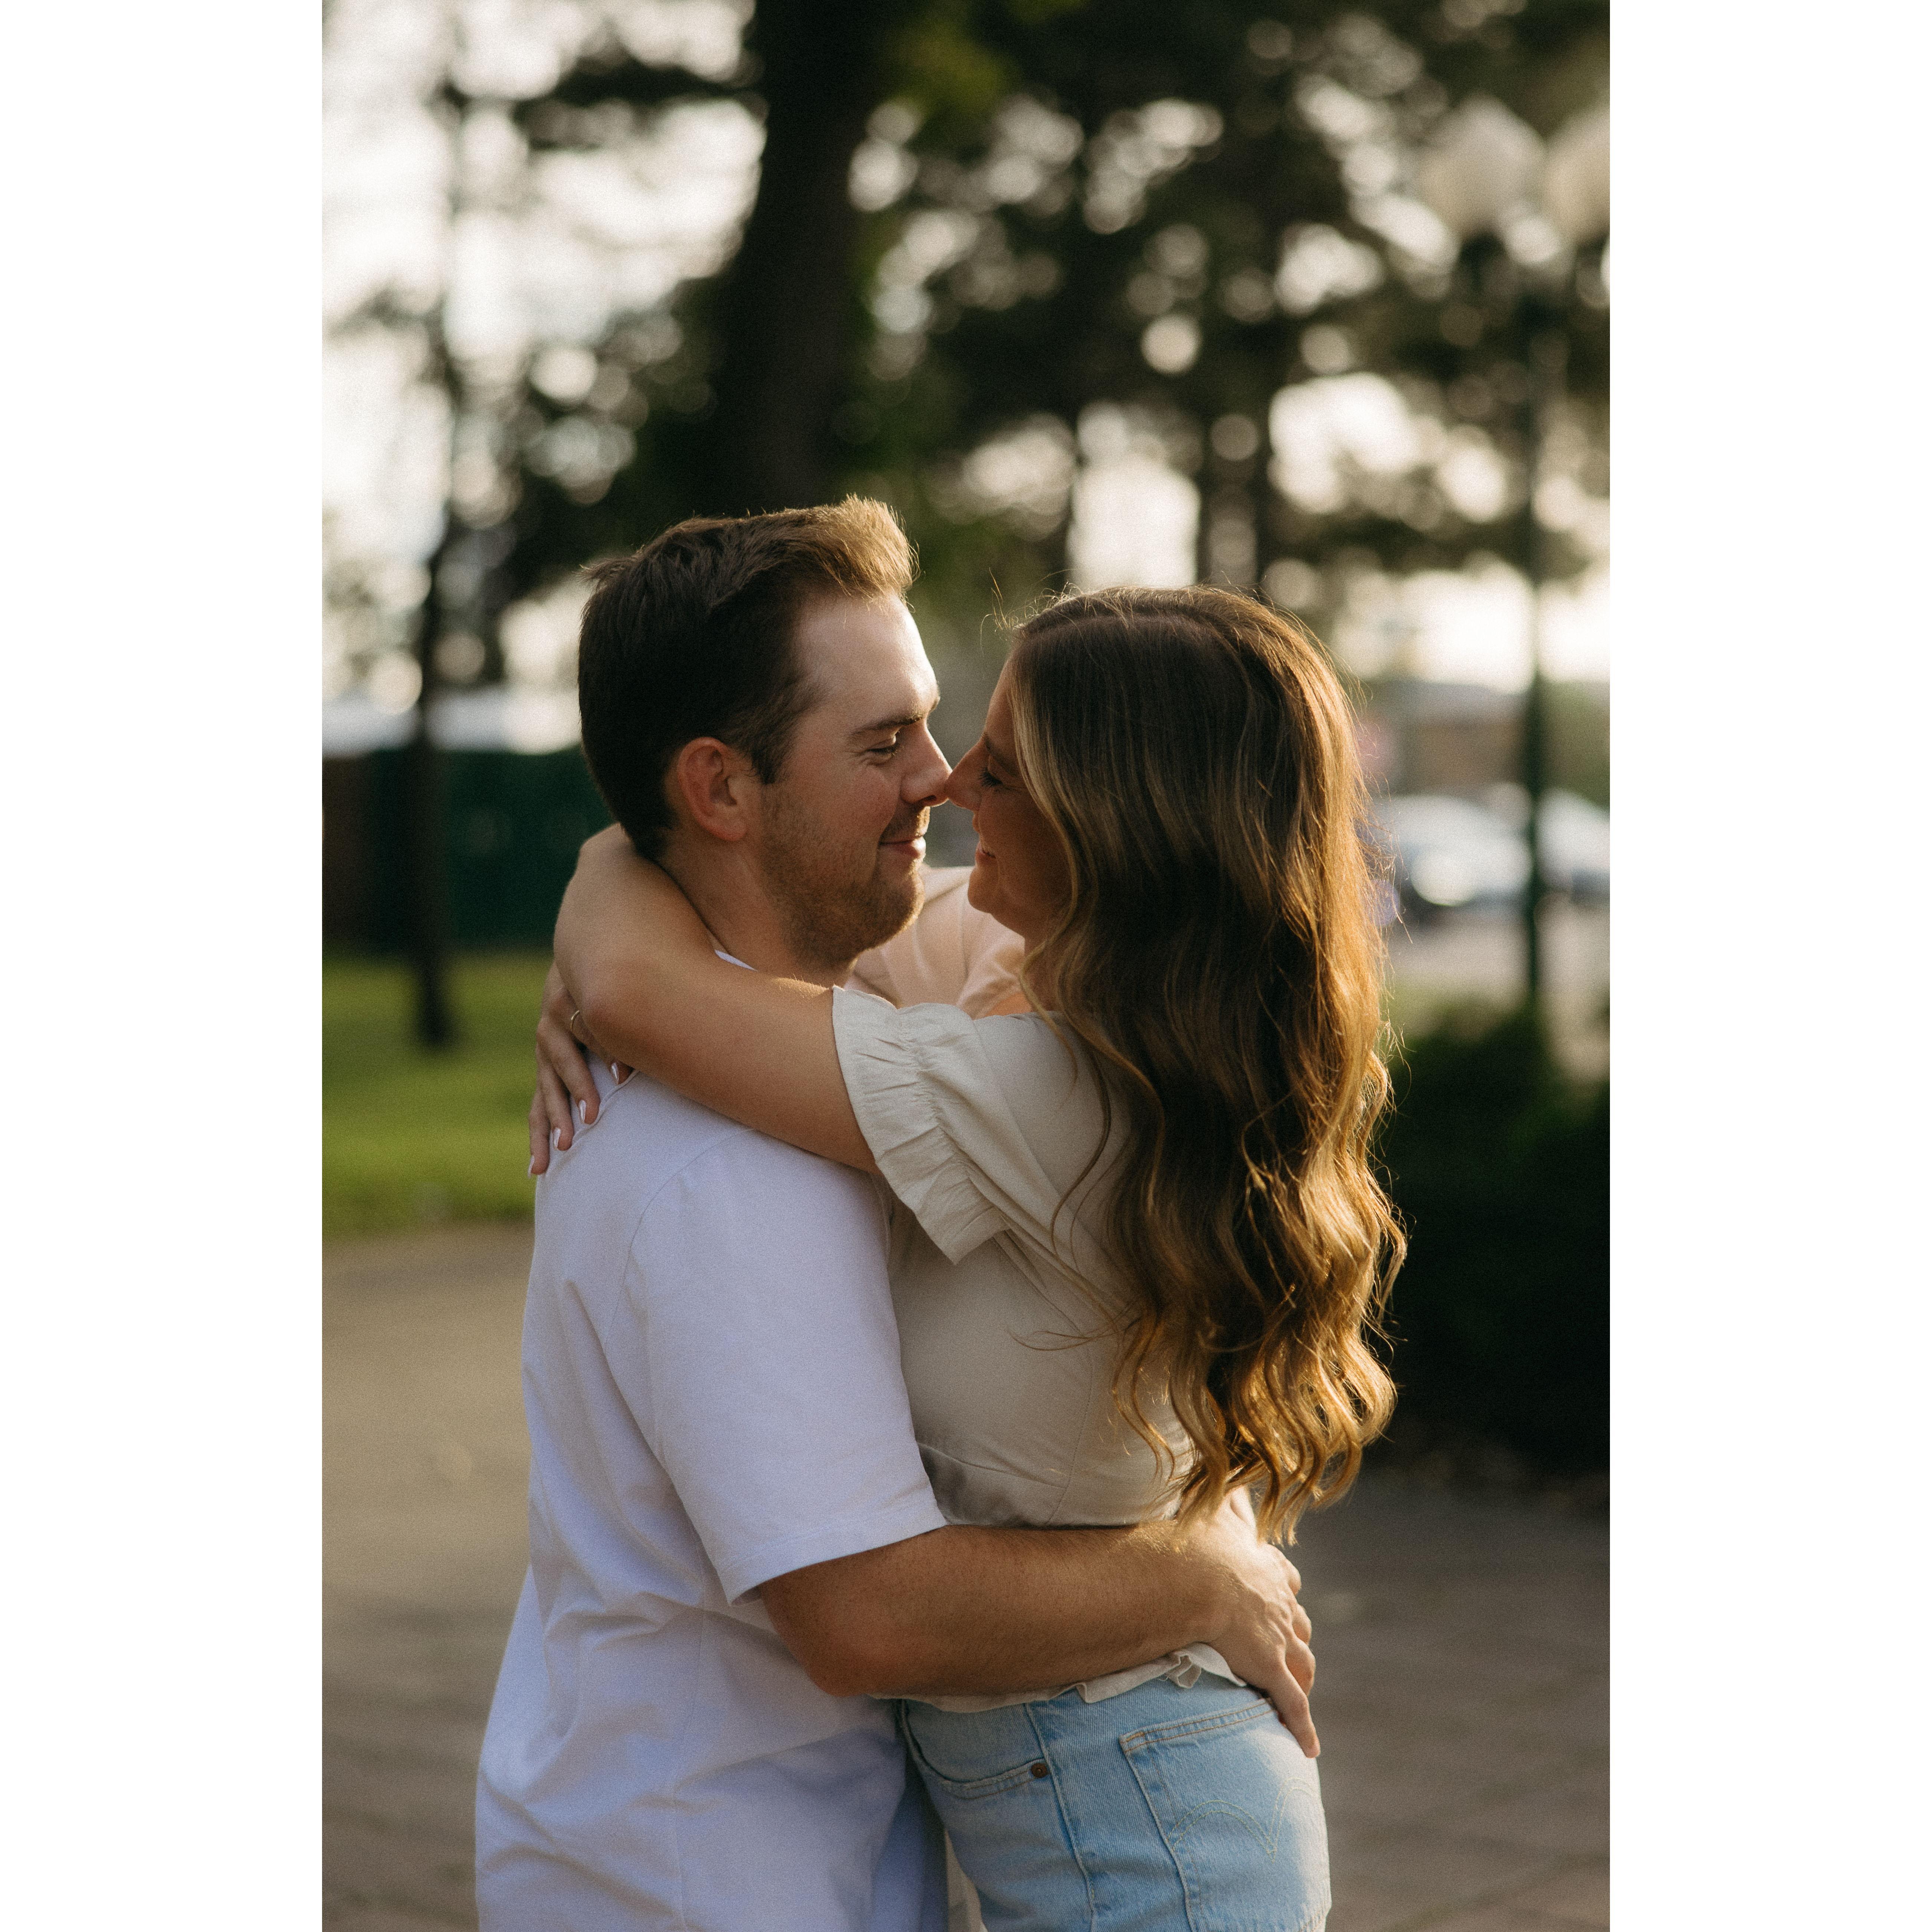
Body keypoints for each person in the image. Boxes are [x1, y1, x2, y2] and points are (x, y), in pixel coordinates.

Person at [478, 501, 1319, 1932]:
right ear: (719, 787)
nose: (946, 781)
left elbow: (646, 970)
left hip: (971, 1833)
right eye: (887, 744)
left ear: (1119, 838)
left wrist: (616, 878)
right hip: (715, 1881)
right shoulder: (744, 1160)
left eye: (978, 751)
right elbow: (869, 1613)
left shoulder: (1032, 1051)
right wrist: (1200, 1577)